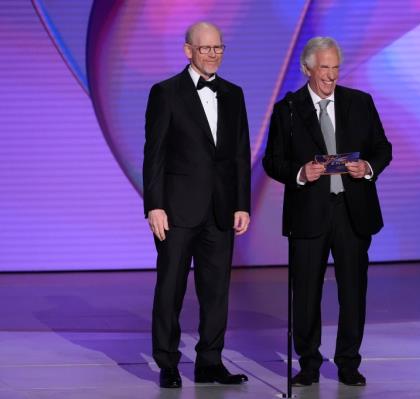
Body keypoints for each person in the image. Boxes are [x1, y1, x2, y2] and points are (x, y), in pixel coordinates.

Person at [262, 36, 392, 387]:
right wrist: (301, 173)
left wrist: (366, 166)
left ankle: (348, 362)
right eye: (324, 68)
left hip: (352, 212)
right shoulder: (287, 110)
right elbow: (272, 161)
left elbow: (383, 148)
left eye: (335, 68)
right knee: (305, 292)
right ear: (306, 69)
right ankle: (308, 363)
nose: (331, 75)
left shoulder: (360, 103)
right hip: (308, 212)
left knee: (353, 291)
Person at [143, 21, 251, 388]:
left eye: (218, 48)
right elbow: (154, 154)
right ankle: (168, 363)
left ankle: (209, 362)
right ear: (188, 50)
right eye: (206, 49)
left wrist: (242, 203)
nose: (213, 55)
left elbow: (239, 154)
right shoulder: (166, 93)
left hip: (220, 210)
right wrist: (154, 205)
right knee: (170, 287)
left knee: (216, 289)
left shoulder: (234, 94)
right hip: (176, 210)